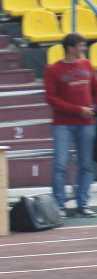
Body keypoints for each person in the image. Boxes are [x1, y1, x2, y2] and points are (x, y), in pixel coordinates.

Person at [44, 33, 97, 216]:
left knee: (87, 164)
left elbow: (95, 90)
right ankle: (59, 205)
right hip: (63, 124)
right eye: (81, 46)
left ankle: (82, 203)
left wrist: (92, 108)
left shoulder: (87, 65)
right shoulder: (52, 69)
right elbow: (51, 99)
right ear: (70, 47)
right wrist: (78, 110)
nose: (84, 49)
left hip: (87, 123)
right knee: (60, 163)